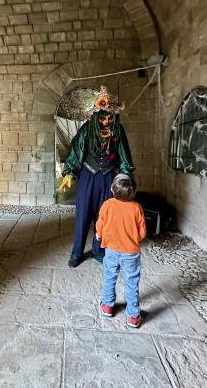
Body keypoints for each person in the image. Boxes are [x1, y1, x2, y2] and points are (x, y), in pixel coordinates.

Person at [58, 85, 135, 268]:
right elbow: (77, 151)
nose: (107, 121)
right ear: (96, 117)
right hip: (88, 176)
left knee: (105, 216)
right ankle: (77, 251)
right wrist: (69, 172)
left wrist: (126, 178)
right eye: (103, 117)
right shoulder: (87, 130)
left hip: (109, 178)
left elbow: (124, 156)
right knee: (83, 214)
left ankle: (99, 250)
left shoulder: (119, 131)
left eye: (110, 117)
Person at [96, 173, 146, 328]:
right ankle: (132, 316)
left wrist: (100, 235)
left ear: (112, 189)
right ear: (134, 190)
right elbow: (142, 232)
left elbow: (100, 224)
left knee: (109, 277)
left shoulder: (107, 204)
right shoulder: (137, 208)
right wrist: (133, 239)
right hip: (130, 253)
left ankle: (108, 306)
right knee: (132, 282)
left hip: (111, 250)